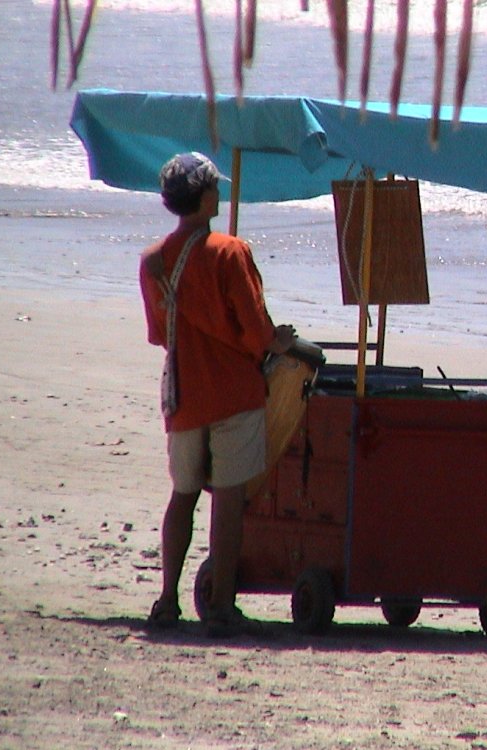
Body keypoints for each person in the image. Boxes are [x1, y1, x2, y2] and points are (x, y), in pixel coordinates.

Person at [140, 152, 296, 637]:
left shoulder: (153, 262)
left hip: (184, 394)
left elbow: (160, 334)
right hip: (233, 393)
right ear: (206, 197)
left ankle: (168, 599)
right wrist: (281, 341)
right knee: (228, 502)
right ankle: (222, 606)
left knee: (182, 496)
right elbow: (255, 331)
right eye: (215, 188)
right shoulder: (230, 252)